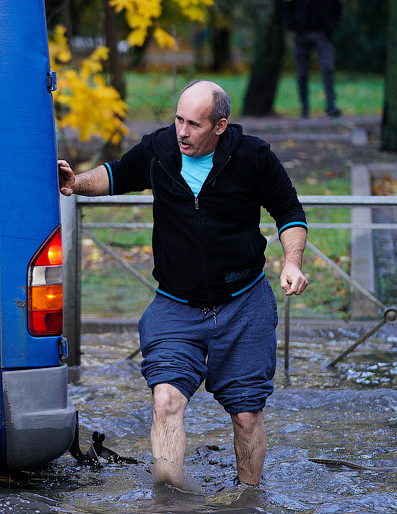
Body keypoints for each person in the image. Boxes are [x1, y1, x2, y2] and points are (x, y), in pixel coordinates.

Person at [57, 80, 308, 489]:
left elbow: (290, 213)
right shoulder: (161, 150)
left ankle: (247, 506)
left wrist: (292, 263)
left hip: (243, 303)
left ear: (220, 126)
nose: (182, 132)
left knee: (246, 415)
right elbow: (116, 174)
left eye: (193, 123)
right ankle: (171, 505)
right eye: (178, 119)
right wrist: (75, 184)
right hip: (175, 305)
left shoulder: (253, 157)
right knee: (165, 400)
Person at [285, 0, 342, 118]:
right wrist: (293, 27)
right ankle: (304, 108)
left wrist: (329, 29)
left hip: (322, 34)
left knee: (328, 69)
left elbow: (336, 8)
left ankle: (331, 106)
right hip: (301, 35)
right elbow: (287, 7)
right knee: (302, 73)